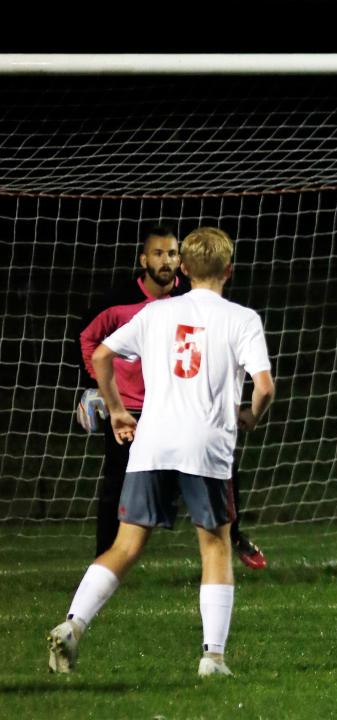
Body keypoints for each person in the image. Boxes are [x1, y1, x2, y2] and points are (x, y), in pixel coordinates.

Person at [49, 227, 275, 677]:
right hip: (206, 448)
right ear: (229, 271)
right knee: (215, 546)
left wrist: (115, 411)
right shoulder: (242, 318)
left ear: (184, 269)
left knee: (126, 544)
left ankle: (73, 625)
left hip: (151, 443)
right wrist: (251, 415)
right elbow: (265, 387)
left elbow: (101, 357)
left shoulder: (156, 314)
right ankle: (212, 658)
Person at [76, 224, 267, 570]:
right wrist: (99, 389)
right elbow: (92, 345)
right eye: (159, 253)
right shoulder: (123, 303)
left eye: (172, 253)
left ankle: (233, 534)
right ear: (143, 259)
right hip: (134, 410)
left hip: (181, 410)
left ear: (183, 263)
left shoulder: (184, 302)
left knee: (226, 475)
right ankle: (105, 555)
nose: (166, 260)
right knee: (116, 486)